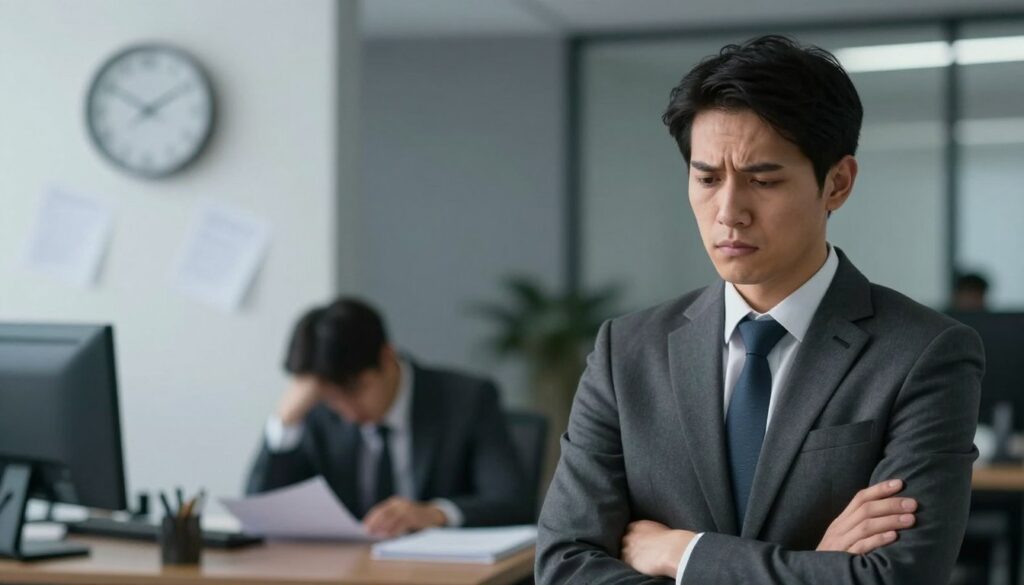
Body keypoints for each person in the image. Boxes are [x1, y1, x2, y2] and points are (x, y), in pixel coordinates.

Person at [536, 35, 984, 584]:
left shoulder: (923, 352)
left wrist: (682, 554)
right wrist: (814, 567)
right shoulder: (625, 350)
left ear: (837, 183)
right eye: (706, 178)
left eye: (763, 180)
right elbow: (563, 565)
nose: (729, 212)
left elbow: (895, 578)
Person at [246, 297, 530, 537]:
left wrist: (436, 514)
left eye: (356, 390)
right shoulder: (319, 412)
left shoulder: (467, 400)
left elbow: (513, 502)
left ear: (387, 357)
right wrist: (284, 421)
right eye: (334, 399)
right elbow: (259, 514)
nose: (349, 412)